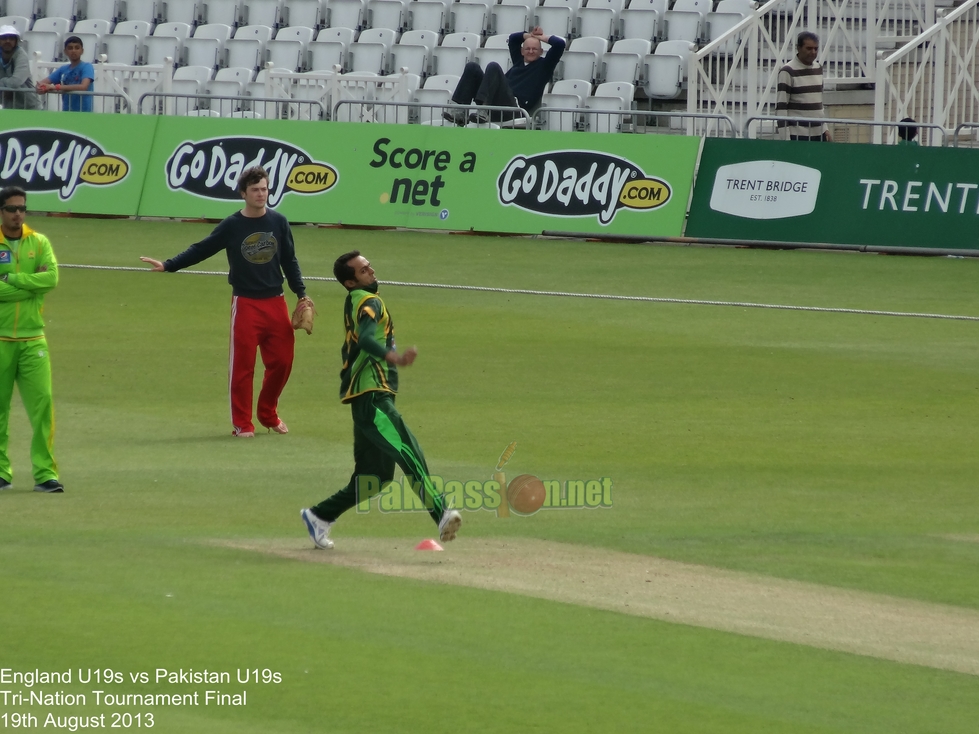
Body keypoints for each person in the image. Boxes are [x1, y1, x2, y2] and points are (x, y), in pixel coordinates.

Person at [300, 251, 462, 550]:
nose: (371, 270)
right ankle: (439, 512)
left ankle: (320, 515)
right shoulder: (368, 301)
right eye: (363, 270)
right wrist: (393, 357)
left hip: (366, 397)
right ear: (351, 281)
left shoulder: (356, 298)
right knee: (408, 450)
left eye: (369, 265)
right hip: (372, 396)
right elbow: (365, 338)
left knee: (374, 476)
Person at [140, 167, 310, 438]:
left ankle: (268, 413)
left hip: (276, 301)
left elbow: (289, 260)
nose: (261, 194)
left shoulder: (279, 222)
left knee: (283, 362)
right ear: (243, 193)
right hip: (245, 304)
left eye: (265, 189)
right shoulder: (233, 225)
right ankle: (243, 424)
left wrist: (301, 293)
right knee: (242, 367)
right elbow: (202, 248)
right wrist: (169, 265)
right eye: (255, 190)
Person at [0, 186, 63, 493]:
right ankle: (1, 472)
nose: (18, 214)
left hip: (33, 338)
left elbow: (50, 279)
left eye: (22, 208)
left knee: (43, 406)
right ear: (1, 211)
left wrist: (12, 279)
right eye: (12, 208)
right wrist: (31, 285)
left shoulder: (38, 242)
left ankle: (45, 473)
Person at [443, 26, 565, 125]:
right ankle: (459, 112)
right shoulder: (518, 61)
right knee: (472, 67)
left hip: (514, 109)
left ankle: (484, 109)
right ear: (522, 51)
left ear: (541, 52)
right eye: (528, 49)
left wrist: (541, 37)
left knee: (493, 67)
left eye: (534, 49)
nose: (531, 51)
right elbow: (513, 39)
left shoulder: (544, 66)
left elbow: (559, 44)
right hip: (498, 100)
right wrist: (530, 35)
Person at [776, 31, 831, 142]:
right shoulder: (787, 71)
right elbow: (781, 107)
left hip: (818, 134)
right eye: (809, 48)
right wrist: (785, 138)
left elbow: (819, 103)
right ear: (798, 48)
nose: (813, 52)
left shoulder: (818, 68)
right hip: (797, 135)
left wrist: (825, 129)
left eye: (816, 49)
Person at [37, 36, 95, 112]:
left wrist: (55, 87)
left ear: (82, 51)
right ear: (65, 51)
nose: (73, 51)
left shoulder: (87, 66)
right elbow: (42, 83)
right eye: (70, 48)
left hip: (84, 112)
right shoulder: (63, 69)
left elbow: (83, 87)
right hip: (67, 111)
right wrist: (40, 87)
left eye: (77, 48)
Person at [0, 25, 41, 110]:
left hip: (29, 106)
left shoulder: (21, 55)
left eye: (11, 38)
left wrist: (2, 81)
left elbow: (16, 81)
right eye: (4, 38)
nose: (7, 41)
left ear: (16, 41)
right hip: (9, 106)